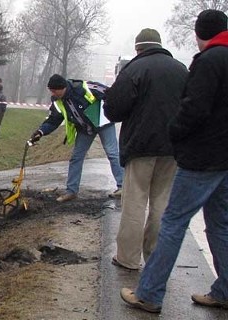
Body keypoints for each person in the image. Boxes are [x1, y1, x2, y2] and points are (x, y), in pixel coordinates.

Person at [120, 9, 228, 313]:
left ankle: (149, 293)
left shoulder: (209, 60)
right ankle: (225, 290)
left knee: (172, 223)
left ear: (199, 33)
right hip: (224, 160)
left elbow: (194, 108)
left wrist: (175, 132)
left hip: (201, 159)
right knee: (220, 226)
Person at [104, 28, 188, 270]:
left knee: (135, 201)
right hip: (172, 147)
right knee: (162, 202)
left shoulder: (134, 70)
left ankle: (128, 258)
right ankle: (155, 259)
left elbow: (114, 110)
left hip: (140, 146)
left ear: (138, 48)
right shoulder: (181, 70)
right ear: (160, 45)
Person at [29, 74, 124, 202]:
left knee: (112, 153)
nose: (53, 93)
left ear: (62, 87)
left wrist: (112, 110)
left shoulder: (84, 87)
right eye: (51, 91)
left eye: (54, 90)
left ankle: (123, 187)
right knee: (76, 158)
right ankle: (71, 191)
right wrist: (40, 132)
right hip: (85, 129)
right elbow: (53, 121)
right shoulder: (57, 102)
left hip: (103, 122)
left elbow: (110, 93)